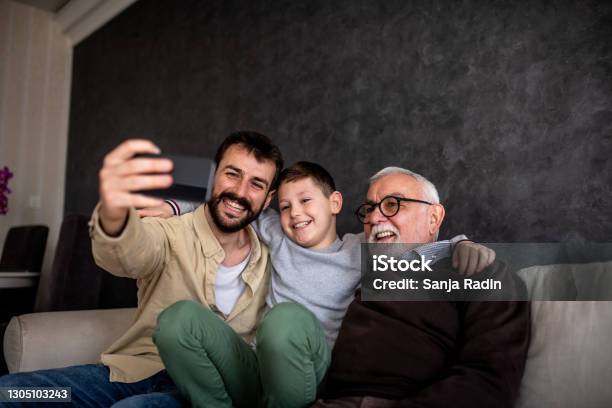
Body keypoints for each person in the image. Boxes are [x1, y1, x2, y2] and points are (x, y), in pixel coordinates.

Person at [152, 161, 496, 408]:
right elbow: (231, 207)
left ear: (335, 203)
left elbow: (420, 245)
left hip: (309, 373)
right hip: (258, 369)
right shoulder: (276, 232)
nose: (295, 214)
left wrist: (462, 243)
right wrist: (172, 205)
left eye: (305, 201)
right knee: (177, 320)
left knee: (285, 319)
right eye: (284, 206)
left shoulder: (361, 248)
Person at [0, 130, 283, 407]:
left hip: (201, 390)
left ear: (268, 198)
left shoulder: (276, 260)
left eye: (256, 184)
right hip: (130, 374)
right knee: (11, 393)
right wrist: (115, 215)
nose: (240, 191)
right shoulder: (169, 230)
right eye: (232, 174)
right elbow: (131, 253)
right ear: (214, 176)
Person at [313, 167, 531, 408]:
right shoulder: (358, 269)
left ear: (434, 218)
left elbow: (489, 381)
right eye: (369, 208)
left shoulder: (484, 272)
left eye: (393, 204)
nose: (374, 218)